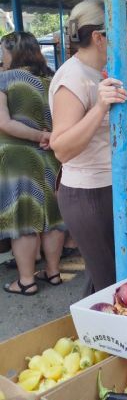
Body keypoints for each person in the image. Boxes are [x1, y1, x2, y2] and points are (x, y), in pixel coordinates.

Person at [49, 0, 127, 294]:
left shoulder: (95, 74)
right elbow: (62, 147)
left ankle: (86, 337)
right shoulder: (74, 77)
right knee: (121, 288)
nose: (126, 43)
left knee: (113, 281)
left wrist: (125, 141)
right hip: (88, 194)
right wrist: (100, 107)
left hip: (106, 187)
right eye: (121, 35)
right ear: (99, 37)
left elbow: (96, 134)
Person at [0, 32, 66, 295]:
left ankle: (26, 280)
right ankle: (53, 272)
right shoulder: (52, 80)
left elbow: (4, 123)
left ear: (13, 52)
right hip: (50, 154)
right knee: (53, 216)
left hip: (17, 157)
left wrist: (38, 135)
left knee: (23, 217)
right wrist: (48, 136)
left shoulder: (4, 79)